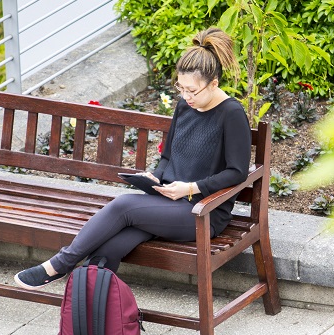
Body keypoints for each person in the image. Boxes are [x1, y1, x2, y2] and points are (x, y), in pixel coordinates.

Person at [14, 27, 251, 288]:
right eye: (181, 88)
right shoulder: (185, 106)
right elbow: (168, 156)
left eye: (192, 91)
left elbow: (237, 172)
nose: (185, 97)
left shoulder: (231, 113)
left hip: (202, 210)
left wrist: (192, 188)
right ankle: (89, 314)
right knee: (110, 247)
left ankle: (59, 265)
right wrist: (155, 176)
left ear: (214, 83)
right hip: (166, 201)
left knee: (123, 206)